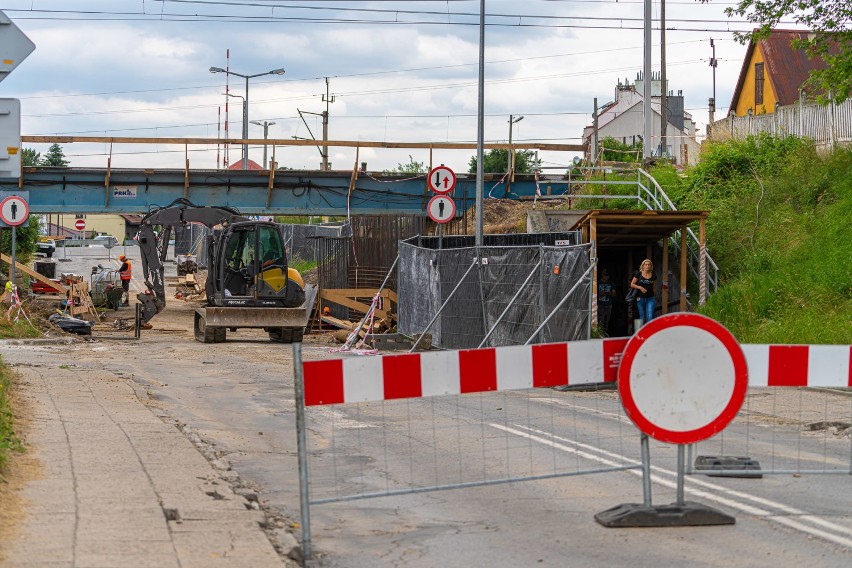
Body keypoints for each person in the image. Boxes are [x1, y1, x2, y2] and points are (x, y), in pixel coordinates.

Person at [630, 258, 657, 327]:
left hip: (650, 299)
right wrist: (640, 287)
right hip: (640, 298)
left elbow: (654, 288)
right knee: (642, 316)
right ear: (643, 266)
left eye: (649, 265)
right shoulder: (638, 274)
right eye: (646, 265)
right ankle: (642, 334)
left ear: (651, 266)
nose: (647, 266)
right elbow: (632, 284)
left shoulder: (654, 276)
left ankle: (650, 333)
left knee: (650, 316)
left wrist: (654, 297)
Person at [597, 269, 616, 336]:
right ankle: (600, 334)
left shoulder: (611, 283)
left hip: (608, 304)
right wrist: (601, 294)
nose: (605, 276)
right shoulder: (598, 283)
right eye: (603, 275)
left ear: (609, 276)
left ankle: (605, 333)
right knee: (601, 319)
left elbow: (614, 294)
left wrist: (608, 293)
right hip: (600, 304)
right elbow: (593, 295)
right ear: (601, 275)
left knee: (607, 320)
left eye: (606, 275)